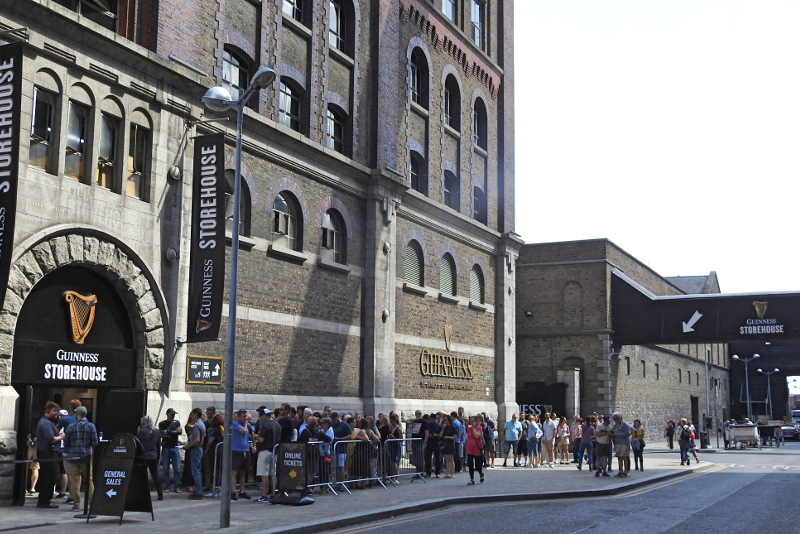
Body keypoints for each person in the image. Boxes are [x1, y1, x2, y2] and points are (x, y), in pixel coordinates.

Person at [62, 405, 98, 511]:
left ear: (77, 414)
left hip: (73, 457)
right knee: (89, 480)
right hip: (86, 456)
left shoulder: (70, 426)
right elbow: (95, 442)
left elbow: (66, 442)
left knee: (74, 481)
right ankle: (92, 503)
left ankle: (76, 504)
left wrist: (69, 451)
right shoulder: (91, 426)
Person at [36, 402, 65, 508]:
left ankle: (44, 500)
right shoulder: (46, 423)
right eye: (54, 411)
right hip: (48, 454)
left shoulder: (48, 422)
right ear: (47, 411)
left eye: (57, 411)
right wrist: (61, 437)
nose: (56, 413)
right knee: (49, 477)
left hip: (48, 453)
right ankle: (44, 501)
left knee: (46, 477)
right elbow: (50, 439)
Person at [255, 408, 280, 502]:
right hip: (274, 451)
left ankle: (264, 495)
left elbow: (261, 439)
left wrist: (255, 436)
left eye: (261, 416)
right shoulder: (277, 424)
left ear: (265, 416)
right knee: (273, 473)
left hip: (265, 451)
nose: (260, 418)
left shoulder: (265, 425)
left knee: (264, 474)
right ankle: (273, 493)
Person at [136, 416, 163, 501]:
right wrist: (158, 457)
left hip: (144, 456)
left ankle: (142, 494)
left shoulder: (142, 432)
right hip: (153, 456)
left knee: (142, 476)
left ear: (143, 423)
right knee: (155, 476)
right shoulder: (156, 431)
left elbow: (137, 443)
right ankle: (160, 494)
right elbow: (158, 446)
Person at [182, 408, 205, 500]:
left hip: (196, 449)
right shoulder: (202, 424)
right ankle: (199, 490)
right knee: (198, 470)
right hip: (200, 449)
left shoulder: (196, 426)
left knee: (195, 471)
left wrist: (188, 446)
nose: (191, 416)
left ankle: (198, 492)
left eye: (192, 414)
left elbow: (197, 440)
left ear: (195, 415)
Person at [158, 408, 182, 493]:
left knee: (177, 468)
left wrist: (169, 432)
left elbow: (179, 432)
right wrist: (172, 432)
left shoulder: (176, 423)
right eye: (171, 414)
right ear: (167, 414)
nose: (173, 416)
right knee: (166, 468)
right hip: (166, 447)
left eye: (174, 414)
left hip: (174, 447)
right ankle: (167, 486)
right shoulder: (162, 424)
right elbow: (162, 434)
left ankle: (177, 486)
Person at [230, 409, 253, 500]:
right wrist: (246, 424)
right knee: (234, 472)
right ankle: (233, 491)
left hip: (245, 450)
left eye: (246, 417)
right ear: (239, 417)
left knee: (243, 472)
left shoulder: (248, 426)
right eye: (243, 417)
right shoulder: (235, 424)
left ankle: (242, 491)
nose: (245, 419)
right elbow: (243, 430)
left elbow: (252, 434)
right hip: (236, 451)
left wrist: (254, 445)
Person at [204, 413, 224, 496]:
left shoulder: (215, 430)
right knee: (219, 470)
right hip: (220, 451)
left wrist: (206, 450)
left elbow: (210, 441)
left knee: (214, 470)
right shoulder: (222, 429)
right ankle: (219, 488)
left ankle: (215, 489)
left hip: (214, 452)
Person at [331, 412, 352, 482]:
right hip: (334, 449)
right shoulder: (333, 425)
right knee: (336, 466)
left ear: (337, 418)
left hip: (342, 448)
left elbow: (349, 436)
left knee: (341, 466)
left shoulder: (345, 425)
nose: (333, 420)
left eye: (334, 419)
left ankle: (342, 482)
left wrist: (340, 439)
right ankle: (337, 481)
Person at [610, 412, 632, 477]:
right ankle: (620, 470)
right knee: (619, 457)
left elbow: (627, 433)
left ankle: (626, 471)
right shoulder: (614, 426)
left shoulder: (624, 425)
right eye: (614, 419)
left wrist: (617, 434)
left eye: (616, 418)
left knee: (624, 457)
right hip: (617, 443)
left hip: (624, 443)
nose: (615, 420)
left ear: (619, 418)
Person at [465, 415, 484, 485]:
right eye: (471, 421)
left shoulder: (479, 428)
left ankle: (481, 474)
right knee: (470, 464)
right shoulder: (468, 428)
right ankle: (472, 479)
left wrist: (473, 429)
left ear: (476, 421)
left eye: (473, 421)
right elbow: (467, 438)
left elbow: (477, 436)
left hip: (477, 448)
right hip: (470, 448)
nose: (472, 422)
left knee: (477, 466)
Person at [410, 410, 428, 476]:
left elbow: (426, 432)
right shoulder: (415, 422)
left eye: (419, 413)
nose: (418, 415)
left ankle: (421, 472)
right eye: (416, 413)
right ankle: (418, 472)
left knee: (420, 457)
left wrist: (425, 442)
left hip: (420, 442)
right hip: (414, 441)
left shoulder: (424, 422)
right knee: (416, 458)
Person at [425, 413, 443, 478]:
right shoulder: (427, 425)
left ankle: (437, 472)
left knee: (437, 459)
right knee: (427, 459)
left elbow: (441, 435)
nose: (432, 421)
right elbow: (426, 433)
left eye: (433, 419)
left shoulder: (438, 426)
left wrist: (435, 435)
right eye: (431, 419)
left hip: (436, 443)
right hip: (429, 443)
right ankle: (428, 472)